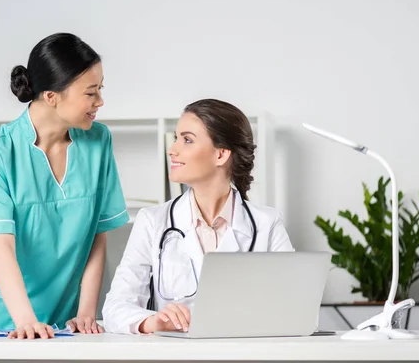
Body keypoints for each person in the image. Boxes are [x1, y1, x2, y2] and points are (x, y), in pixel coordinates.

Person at [0, 33, 129, 339]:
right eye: (90, 93)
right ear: (52, 96)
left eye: (100, 89)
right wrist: (25, 320)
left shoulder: (98, 141)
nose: (100, 101)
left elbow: (97, 237)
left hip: (63, 318)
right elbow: (1, 247)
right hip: (0, 315)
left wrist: (86, 313)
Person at [101, 99, 294, 335]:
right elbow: (114, 308)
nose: (172, 149)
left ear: (221, 154)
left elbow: (296, 309)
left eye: (187, 140)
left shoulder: (267, 224)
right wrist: (154, 321)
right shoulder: (153, 221)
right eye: (176, 138)